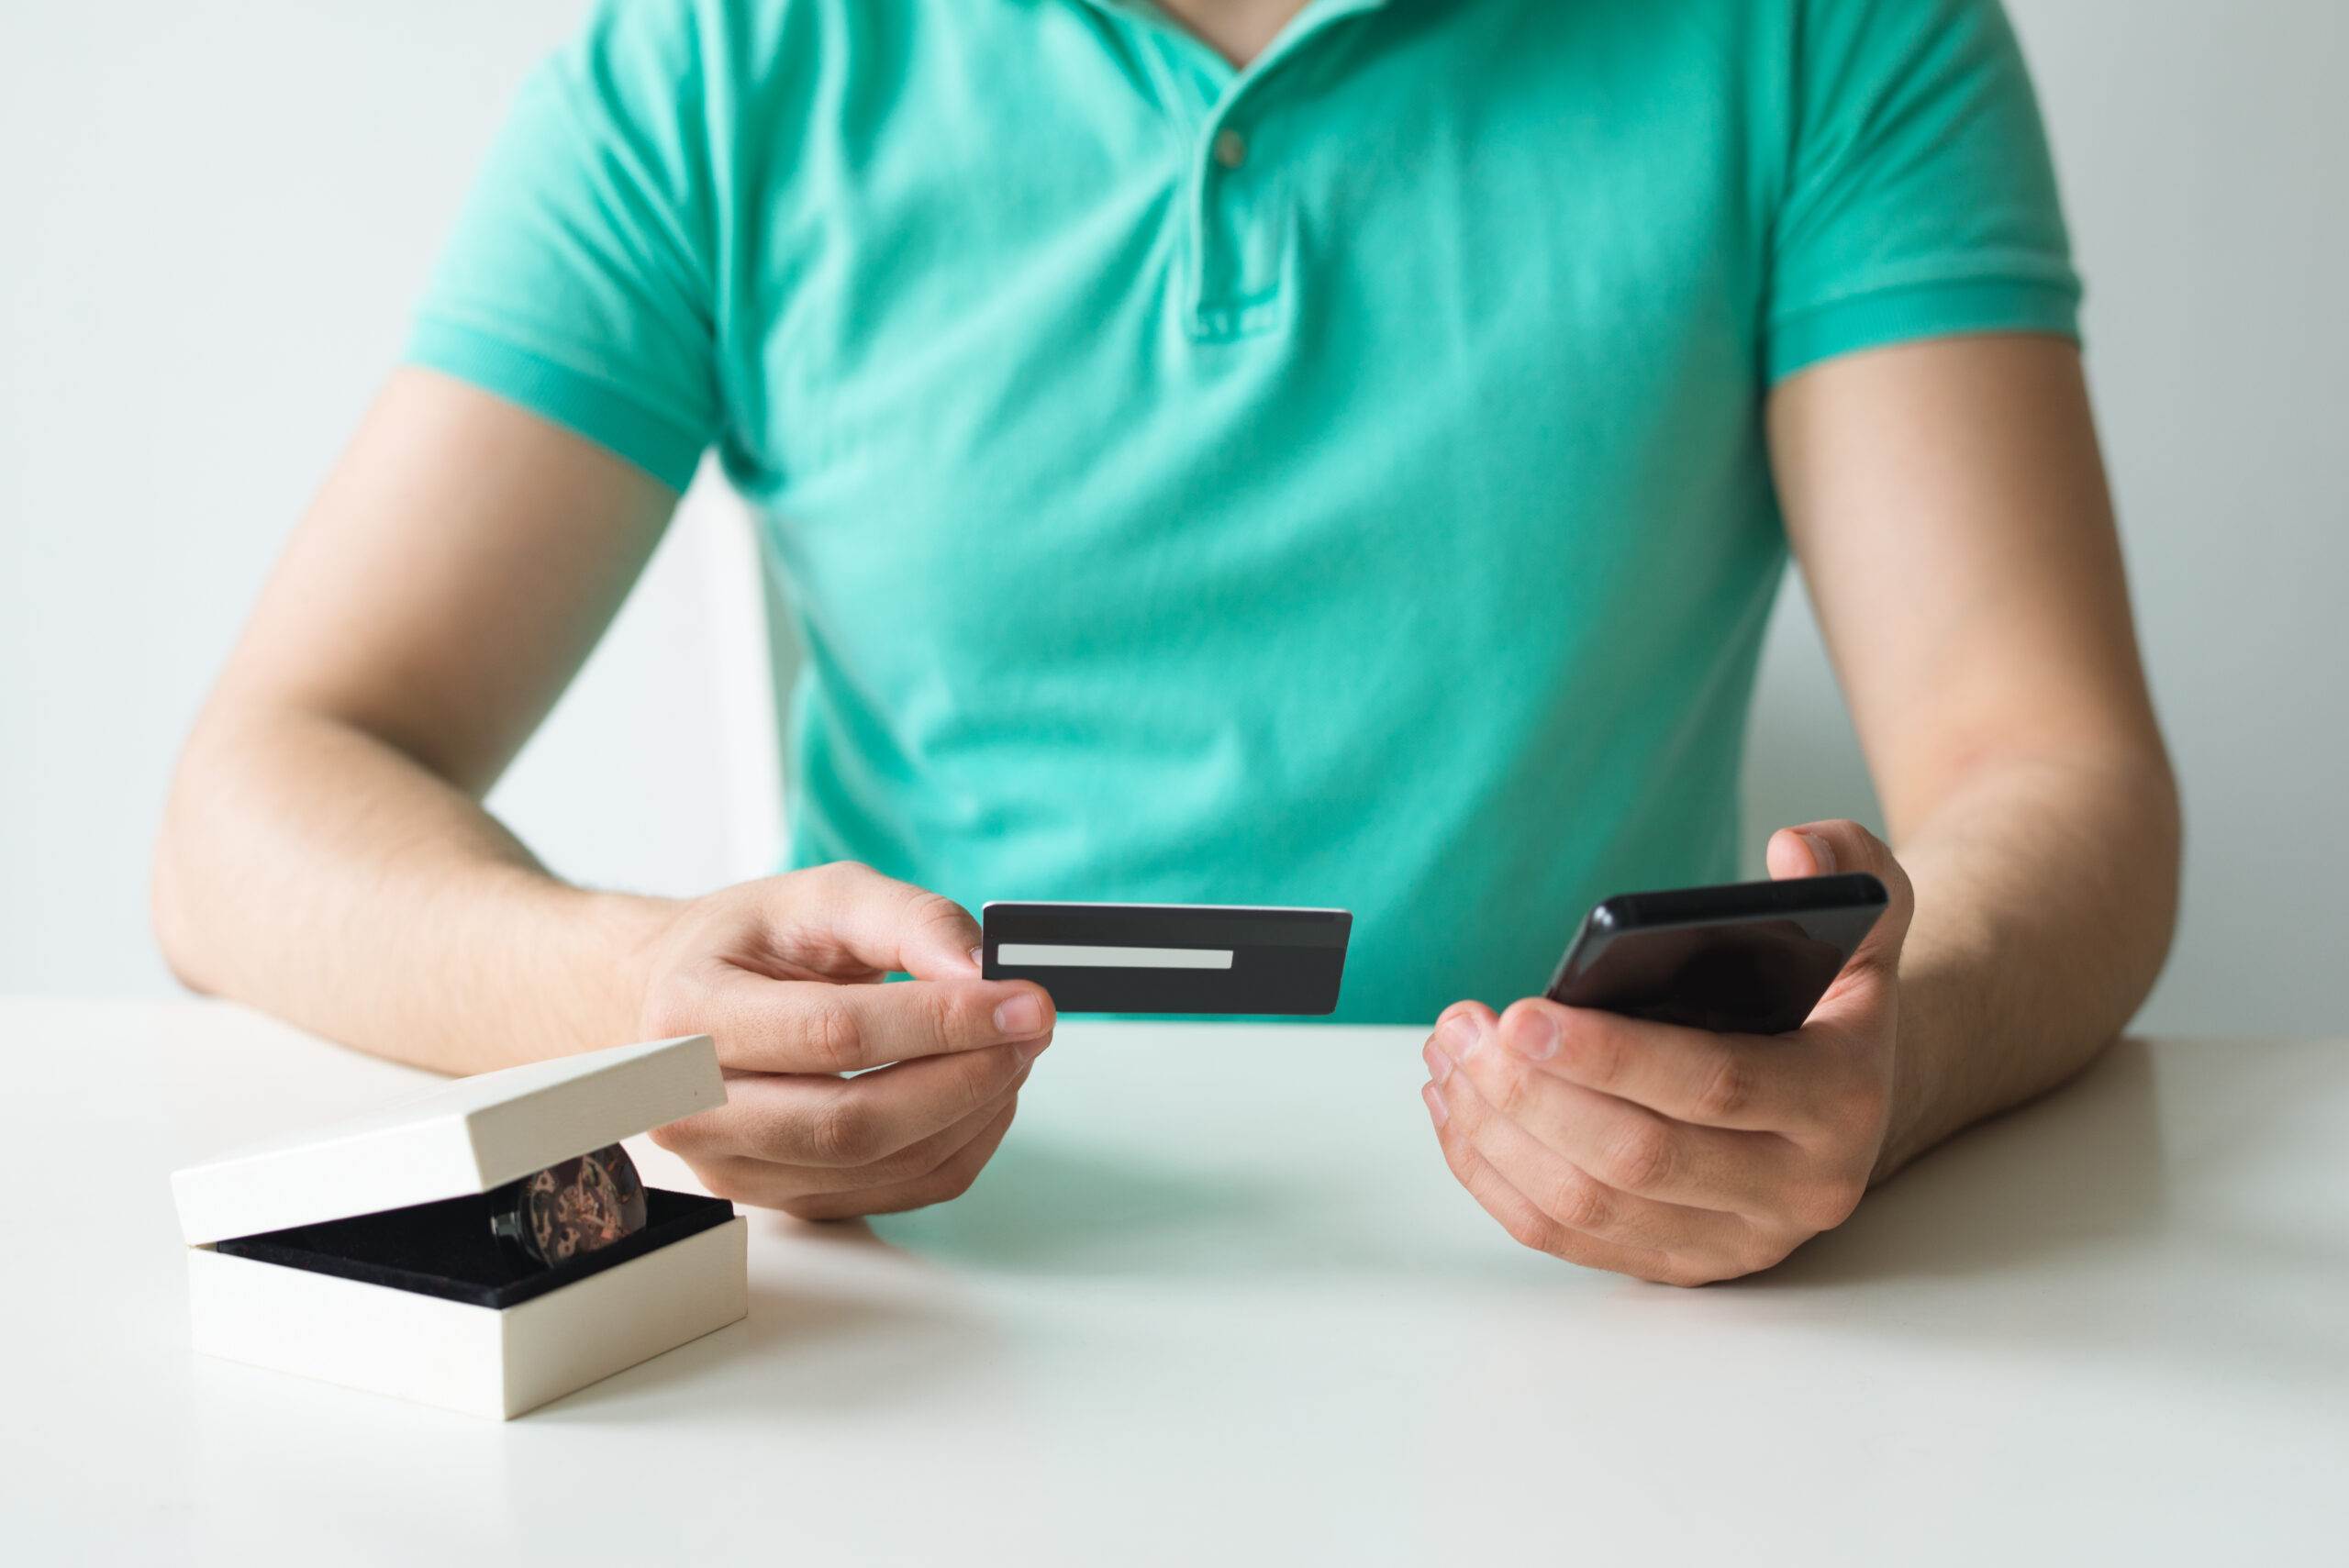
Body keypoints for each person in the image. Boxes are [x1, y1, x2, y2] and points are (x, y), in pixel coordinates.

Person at [152, 0, 2180, 1284]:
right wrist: (640, 999)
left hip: (1605, 1297)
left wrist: (1878, 1072)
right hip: (918, 1292)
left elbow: (2049, 769)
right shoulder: (717, 56)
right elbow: (247, 817)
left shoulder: (1834, 32)